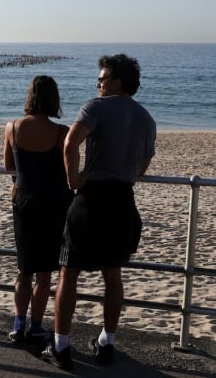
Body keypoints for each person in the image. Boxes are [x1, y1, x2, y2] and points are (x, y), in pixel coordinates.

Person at [41, 54, 156, 370]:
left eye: (102, 78)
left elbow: (70, 143)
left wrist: (72, 179)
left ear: (117, 81)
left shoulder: (96, 107)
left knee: (69, 272)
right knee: (113, 274)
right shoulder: (147, 119)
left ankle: (61, 347)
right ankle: (107, 342)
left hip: (91, 200)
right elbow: (143, 167)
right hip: (123, 201)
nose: (98, 83)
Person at [3, 76, 71, 347]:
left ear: (29, 96)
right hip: (53, 204)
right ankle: (36, 326)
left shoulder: (13, 127)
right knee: (45, 274)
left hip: (24, 202)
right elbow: (68, 172)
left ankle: (18, 325)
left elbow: (9, 167)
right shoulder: (61, 133)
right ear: (55, 99)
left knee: (24, 269)